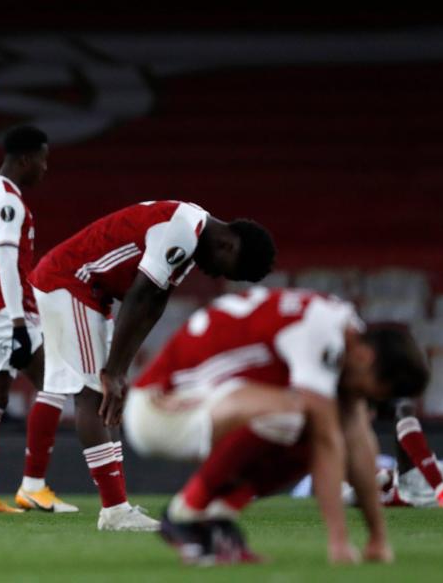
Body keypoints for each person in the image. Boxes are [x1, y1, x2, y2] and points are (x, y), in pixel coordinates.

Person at [126, 287, 429, 564]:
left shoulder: (345, 337)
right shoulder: (323, 333)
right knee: (304, 416)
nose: (366, 400)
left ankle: (209, 516)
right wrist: (339, 541)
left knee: (311, 422)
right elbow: (328, 439)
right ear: (366, 357)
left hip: (208, 403)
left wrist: (377, 538)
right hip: (159, 407)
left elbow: (358, 440)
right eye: (371, 391)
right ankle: (188, 512)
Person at [28, 201, 275, 531]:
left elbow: (155, 303)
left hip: (90, 290)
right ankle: (115, 511)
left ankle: (117, 507)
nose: (216, 275)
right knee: (91, 394)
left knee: (105, 393)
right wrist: (113, 372)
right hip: (71, 281)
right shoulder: (183, 230)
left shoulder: (192, 236)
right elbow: (140, 295)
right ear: (228, 245)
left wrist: (121, 370)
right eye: (227, 269)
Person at [0, 125, 76, 514]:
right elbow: (9, 263)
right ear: (26, 159)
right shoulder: (8, 201)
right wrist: (17, 324)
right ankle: (33, 486)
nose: (45, 168)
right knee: (54, 382)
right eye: (43, 159)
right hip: (4, 307)